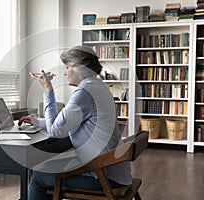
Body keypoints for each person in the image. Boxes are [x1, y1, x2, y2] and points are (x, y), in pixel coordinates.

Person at [18, 45, 132, 200]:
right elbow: (70, 122)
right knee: (49, 168)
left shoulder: (84, 92)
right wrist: (39, 122)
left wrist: (48, 90)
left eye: (67, 67)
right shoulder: (98, 86)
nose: (64, 72)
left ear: (80, 67)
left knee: (38, 177)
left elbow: (56, 131)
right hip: (114, 172)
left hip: (103, 177)